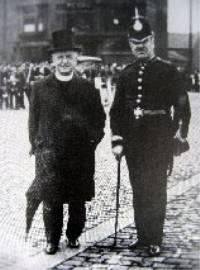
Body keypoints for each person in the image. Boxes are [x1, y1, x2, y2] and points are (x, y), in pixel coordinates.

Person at [110, 12, 191, 256]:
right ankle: (142, 235)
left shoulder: (168, 71)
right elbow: (116, 111)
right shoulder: (126, 73)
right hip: (133, 141)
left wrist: (180, 134)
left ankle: (155, 237)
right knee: (138, 189)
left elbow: (183, 106)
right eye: (135, 43)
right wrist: (117, 139)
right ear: (129, 44)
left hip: (159, 139)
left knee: (155, 189)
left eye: (144, 41)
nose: (140, 47)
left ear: (153, 40)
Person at [27, 30, 106, 255]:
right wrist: (37, 145)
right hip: (49, 156)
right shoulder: (39, 88)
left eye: (69, 56)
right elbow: (33, 120)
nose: (64, 61)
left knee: (77, 200)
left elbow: (99, 119)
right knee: (51, 200)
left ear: (75, 59)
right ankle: (52, 239)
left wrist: (92, 141)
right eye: (60, 57)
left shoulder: (88, 88)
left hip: (79, 155)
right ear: (52, 60)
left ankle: (73, 236)